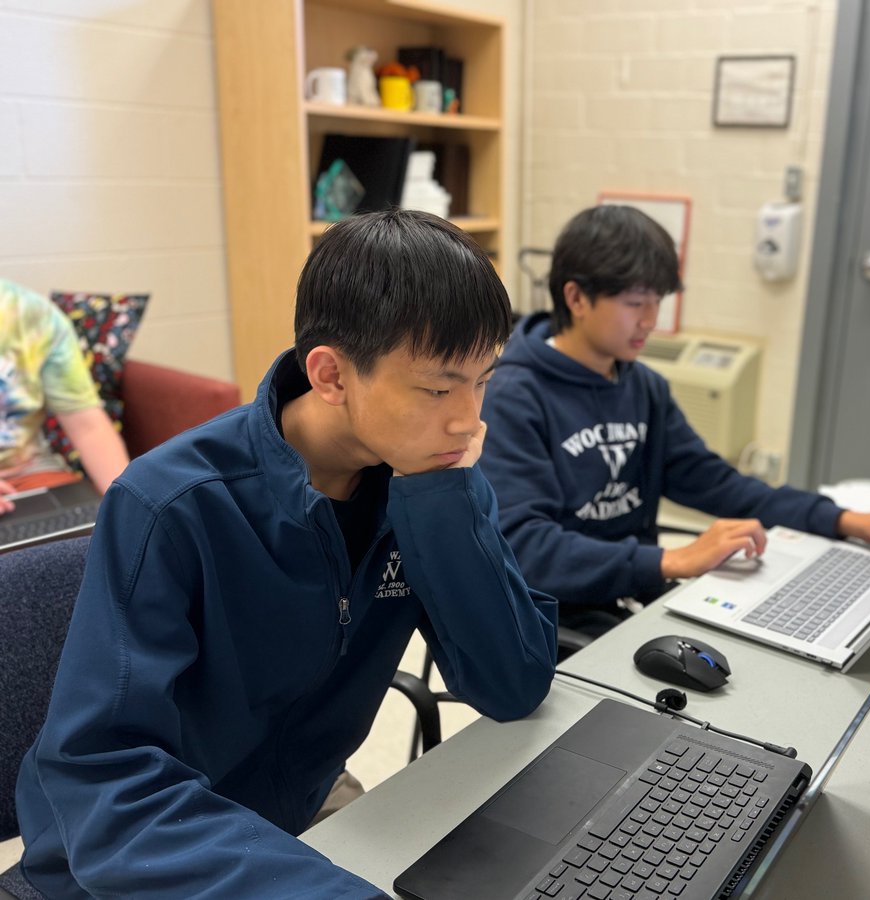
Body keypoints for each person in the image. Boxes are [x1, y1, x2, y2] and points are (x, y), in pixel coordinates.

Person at [15, 210, 558, 897]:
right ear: (330, 375)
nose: (470, 418)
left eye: (484, 380)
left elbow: (514, 683)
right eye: (438, 387)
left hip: (293, 814)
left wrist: (442, 501)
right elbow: (108, 785)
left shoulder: (430, 473)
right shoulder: (172, 505)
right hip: (139, 857)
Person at [479, 204, 870, 635]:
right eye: (633, 303)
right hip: (550, 617)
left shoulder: (644, 387)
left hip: (627, 601)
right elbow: (524, 548)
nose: (650, 320)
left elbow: (719, 484)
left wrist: (848, 520)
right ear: (576, 298)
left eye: (657, 301)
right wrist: (670, 560)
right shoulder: (511, 395)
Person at [0, 279, 130, 516]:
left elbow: (88, 427)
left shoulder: (33, 315)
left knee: (91, 539)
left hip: (30, 475)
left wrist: (131, 508)